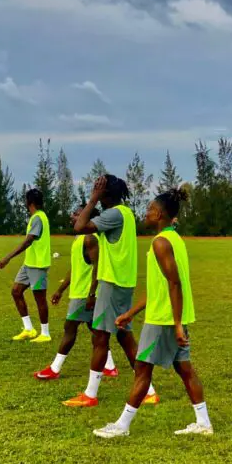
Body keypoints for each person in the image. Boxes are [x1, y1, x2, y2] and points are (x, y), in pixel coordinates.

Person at [93, 188, 213, 439]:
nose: (146, 213)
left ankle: (122, 425)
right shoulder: (174, 239)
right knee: (185, 369)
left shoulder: (160, 243)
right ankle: (203, 422)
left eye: (149, 209)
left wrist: (176, 324)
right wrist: (131, 313)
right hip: (172, 316)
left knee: (142, 369)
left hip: (164, 319)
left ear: (159, 214)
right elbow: (160, 286)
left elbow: (175, 283)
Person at [62, 174, 158, 407]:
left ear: (106, 194)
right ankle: (149, 391)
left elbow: (79, 227)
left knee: (100, 337)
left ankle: (90, 394)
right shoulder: (126, 213)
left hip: (112, 283)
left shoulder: (114, 214)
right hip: (123, 282)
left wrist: (92, 199)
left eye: (99, 190)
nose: (95, 193)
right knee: (124, 336)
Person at [33, 207, 117, 380]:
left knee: (69, 328)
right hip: (80, 292)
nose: (73, 216)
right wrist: (60, 290)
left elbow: (97, 268)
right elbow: (75, 268)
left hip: (85, 294)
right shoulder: (80, 239)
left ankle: (55, 368)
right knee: (96, 330)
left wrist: (91, 294)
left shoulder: (90, 238)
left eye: (77, 214)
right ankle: (110, 366)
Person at [0, 188, 52, 343]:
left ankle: (45, 333)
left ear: (29, 202)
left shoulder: (38, 218)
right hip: (29, 264)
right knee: (16, 291)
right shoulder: (37, 217)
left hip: (38, 265)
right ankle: (28, 329)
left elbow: (28, 241)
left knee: (40, 299)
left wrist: (8, 257)